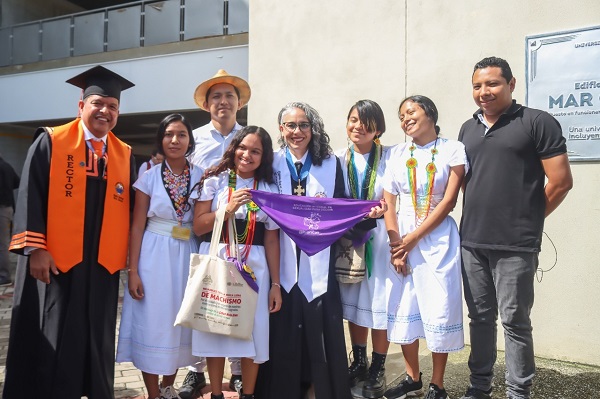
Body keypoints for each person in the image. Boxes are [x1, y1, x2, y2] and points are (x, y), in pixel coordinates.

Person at [4, 65, 136, 399]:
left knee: (95, 335)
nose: (105, 111)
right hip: (55, 263)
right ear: (81, 106)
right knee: (52, 331)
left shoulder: (123, 154)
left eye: (112, 106)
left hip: (100, 267)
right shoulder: (51, 141)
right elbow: (30, 195)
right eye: (98, 103)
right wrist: (36, 249)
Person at [458, 57, 573, 399]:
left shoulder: (537, 122)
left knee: (515, 322)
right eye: (477, 86)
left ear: (511, 84)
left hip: (516, 246)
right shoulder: (468, 127)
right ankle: (479, 387)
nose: (484, 92)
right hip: (472, 242)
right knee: (479, 319)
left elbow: (561, 181)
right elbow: (468, 181)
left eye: (492, 84)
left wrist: (529, 218)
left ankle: (518, 392)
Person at [256, 102, 350, 399]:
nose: (297, 132)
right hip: (279, 257)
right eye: (291, 126)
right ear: (281, 129)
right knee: (283, 330)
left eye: (304, 125)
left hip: (319, 257)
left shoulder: (331, 163)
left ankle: (319, 390)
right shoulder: (269, 162)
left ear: (313, 128)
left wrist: (367, 213)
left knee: (321, 327)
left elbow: (343, 207)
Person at [382, 95, 467, 399]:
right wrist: (396, 245)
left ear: (430, 113)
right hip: (401, 236)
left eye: (411, 111)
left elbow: (449, 201)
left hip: (437, 237)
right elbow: (388, 201)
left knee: (440, 306)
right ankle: (412, 377)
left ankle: (438, 384)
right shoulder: (397, 154)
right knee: (404, 305)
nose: (405, 118)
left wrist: (414, 238)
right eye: (401, 115)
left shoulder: (452, 149)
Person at [191, 126, 282, 399]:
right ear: (234, 148)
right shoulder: (216, 180)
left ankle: (248, 394)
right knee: (215, 329)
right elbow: (197, 226)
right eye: (243, 148)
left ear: (263, 157)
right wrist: (225, 211)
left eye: (256, 151)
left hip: (254, 266)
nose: (247, 155)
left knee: (253, 332)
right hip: (219, 258)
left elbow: (272, 240)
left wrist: (275, 284)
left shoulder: (267, 188)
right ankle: (217, 394)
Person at [116, 114, 200, 399]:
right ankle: (153, 393)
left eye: (181, 135)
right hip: (153, 253)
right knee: (154, 321)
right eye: (168, 134)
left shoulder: (202, 175)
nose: (174, 140)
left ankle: (168, 386)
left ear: (190, 140)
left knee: (179, 320)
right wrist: (133, 270)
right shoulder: (148, 177)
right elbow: (137, 225)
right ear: (160, 140)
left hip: (188, 251)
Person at [180, 68, 251, 399]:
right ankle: (196, 371)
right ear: (207, 104)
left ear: (239, 103)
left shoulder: (248, 137)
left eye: (229, 96)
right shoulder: (193, 138)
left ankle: (237, 371)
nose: (223, 102)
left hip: (242, 232)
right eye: (216, 97)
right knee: (203, 296)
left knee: (236, 296)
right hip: (202, 227)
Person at [336, 100, 394, 398]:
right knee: (355, 297)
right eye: (354, 119)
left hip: (380, 235)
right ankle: (359, 360)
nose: (358, 126)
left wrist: (384, 209)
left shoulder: (391, 157)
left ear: (378, 129)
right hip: (350, 235)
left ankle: (378, 366)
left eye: (366, 122)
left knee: (379, 300)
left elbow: (396, 193)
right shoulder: (337, 158)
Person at [0, 153, 20, 286]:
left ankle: (4, 276)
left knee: (2, 245)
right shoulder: (7, 166)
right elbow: (17, 182)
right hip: (6, 208)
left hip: (2, 208)